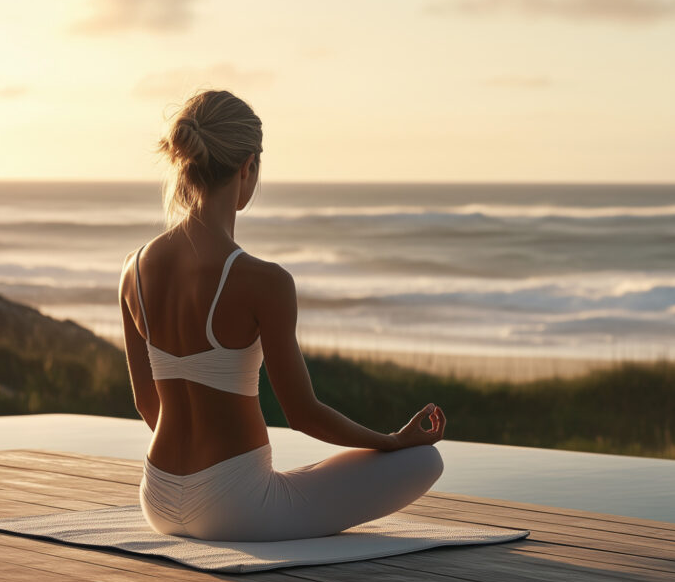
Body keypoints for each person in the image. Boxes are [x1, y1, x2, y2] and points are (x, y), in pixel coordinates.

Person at [119, 89, 445, 542]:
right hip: (236, 508)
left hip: (156, 496)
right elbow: (303, 414)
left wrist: (190, 476)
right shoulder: (263, 280)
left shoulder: (132, 270)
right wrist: (391, 441)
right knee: (425, 460)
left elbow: (147, 404)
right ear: (248, 166)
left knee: (303, 478)